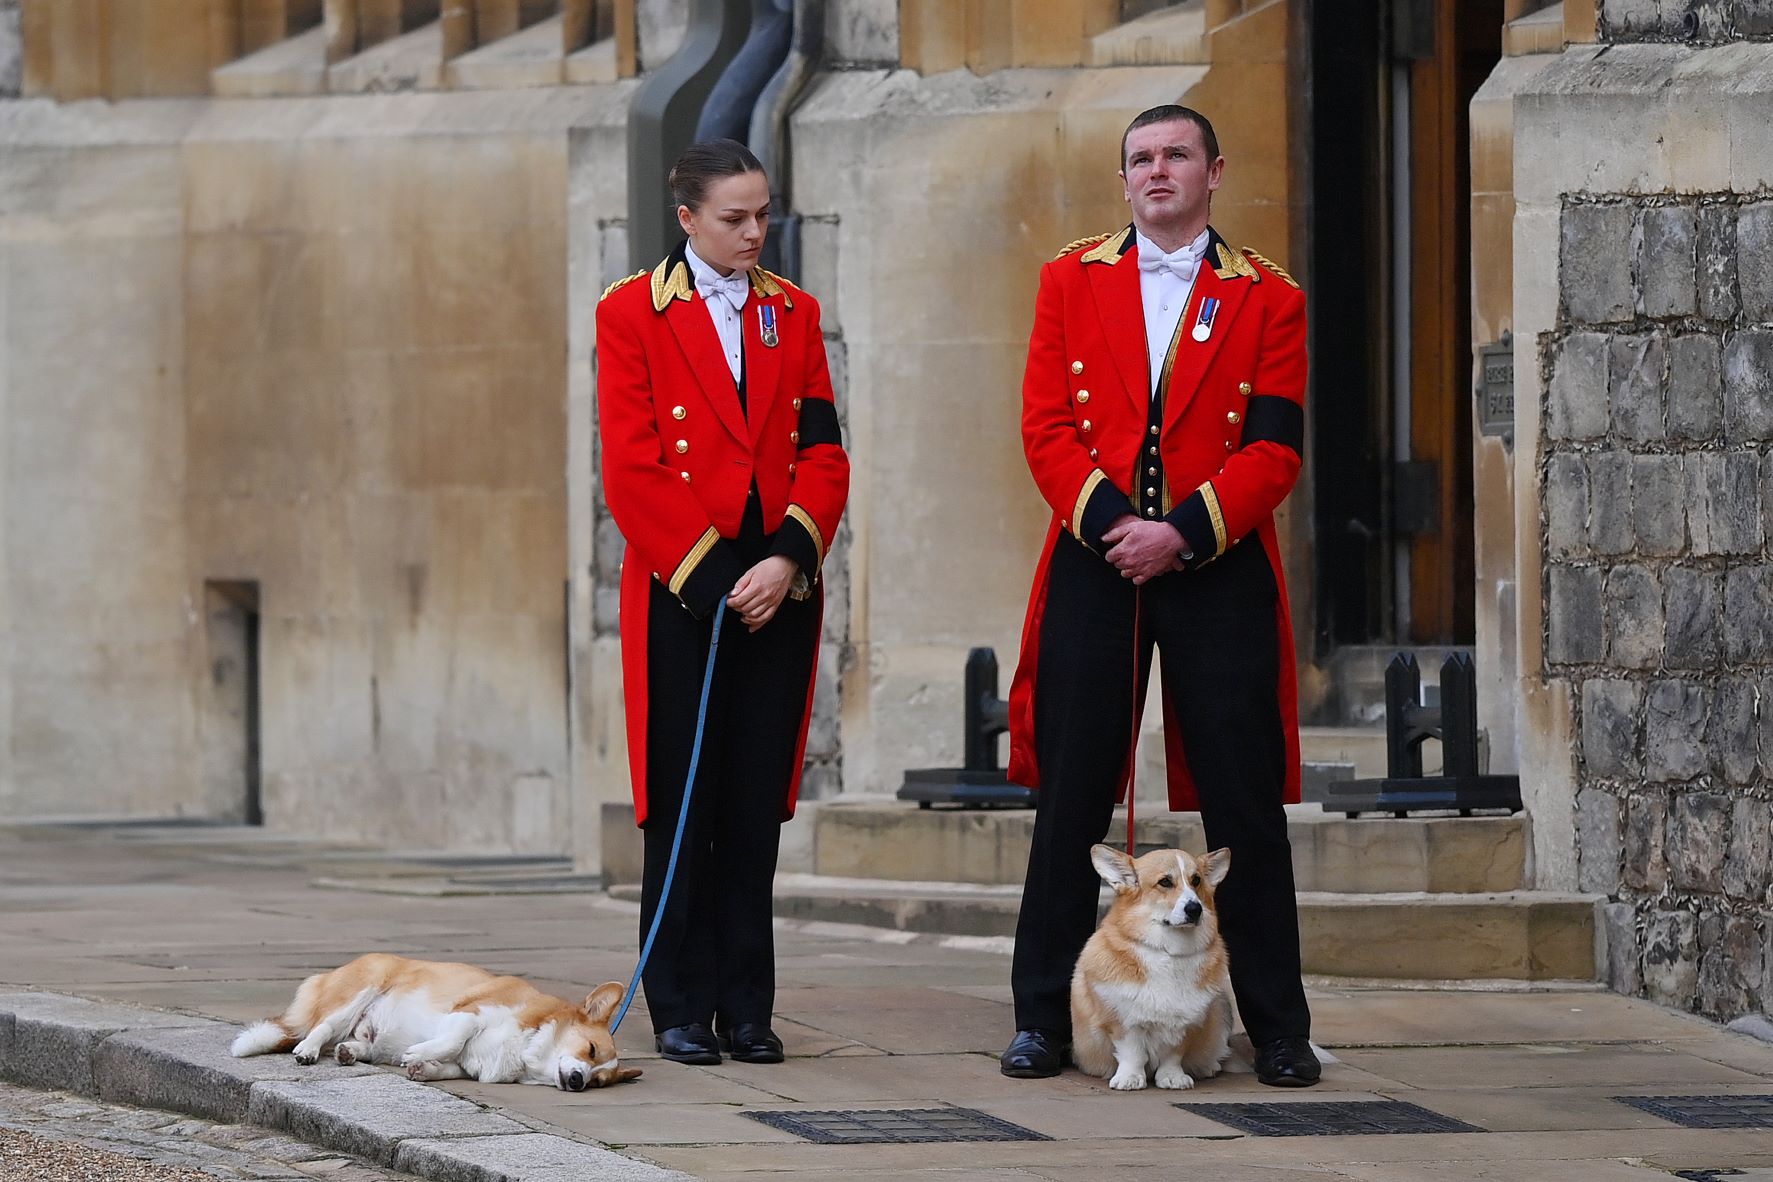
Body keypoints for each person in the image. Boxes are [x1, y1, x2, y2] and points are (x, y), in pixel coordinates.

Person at [999, 105, 1318, 1088]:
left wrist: (1180, 531)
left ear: (1214, 171)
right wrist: (1115, 529)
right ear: (1125, 176)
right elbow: (1045, 425)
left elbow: (1275, 446)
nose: (1157, 170)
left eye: (1177, 154)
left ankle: (1278, 1025)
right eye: (1141, 157)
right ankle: (1045, 1022)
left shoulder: (1268, 294)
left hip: (1215, 563)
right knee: (1073, 800)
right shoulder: (1069, 278)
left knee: (1243, 810)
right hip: (1097, 561)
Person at [595, 139, 849, 1066]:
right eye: (735, 217)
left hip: (776, 581)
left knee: (751, 804)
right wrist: (712, 580)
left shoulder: (794, 312)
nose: (754, 232)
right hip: (684, 583)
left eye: (763, 214)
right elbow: (630, 467)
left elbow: (823, 449)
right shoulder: (631, 314)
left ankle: (747, 1006)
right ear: (688, 218)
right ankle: (676, 1004)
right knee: (682, 799)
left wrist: (786, 558)